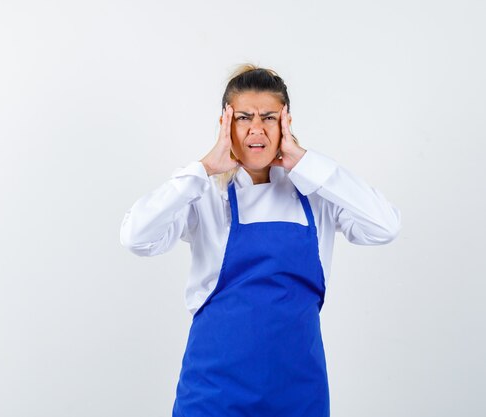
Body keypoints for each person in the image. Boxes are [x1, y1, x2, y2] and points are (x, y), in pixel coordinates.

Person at [119, 64, 401, 417]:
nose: (256, 128)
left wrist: (308, 164)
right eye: (243, 117)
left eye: (269, 117)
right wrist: (203, 168)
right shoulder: (204, 194)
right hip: (213, 393)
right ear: (224, 124)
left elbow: (385, 226)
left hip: (299, 393)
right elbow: (136, 237)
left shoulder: (315, 192)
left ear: (286, 123)